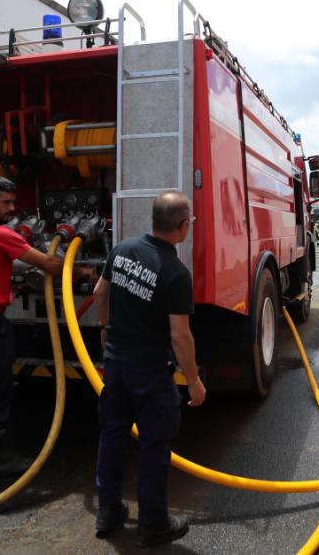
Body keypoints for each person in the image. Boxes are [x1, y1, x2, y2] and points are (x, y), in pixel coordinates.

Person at [0, 176, 91, 479]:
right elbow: (49, 264)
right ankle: (4, 460)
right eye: (6, 203)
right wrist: (82, 272)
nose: (13, 209)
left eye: (13, 202)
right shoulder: (0, 235)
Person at [92, 191, 206, 547]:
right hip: (150, 371)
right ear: (183, 227)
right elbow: (180, 337)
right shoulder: (175, 273)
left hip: (116, 363)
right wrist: (194, 382)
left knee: (112, 434)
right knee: (155, 444)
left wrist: (106, 328)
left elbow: (99, 292)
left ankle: (108, 511)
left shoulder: (122, 249)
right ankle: (154, 523)